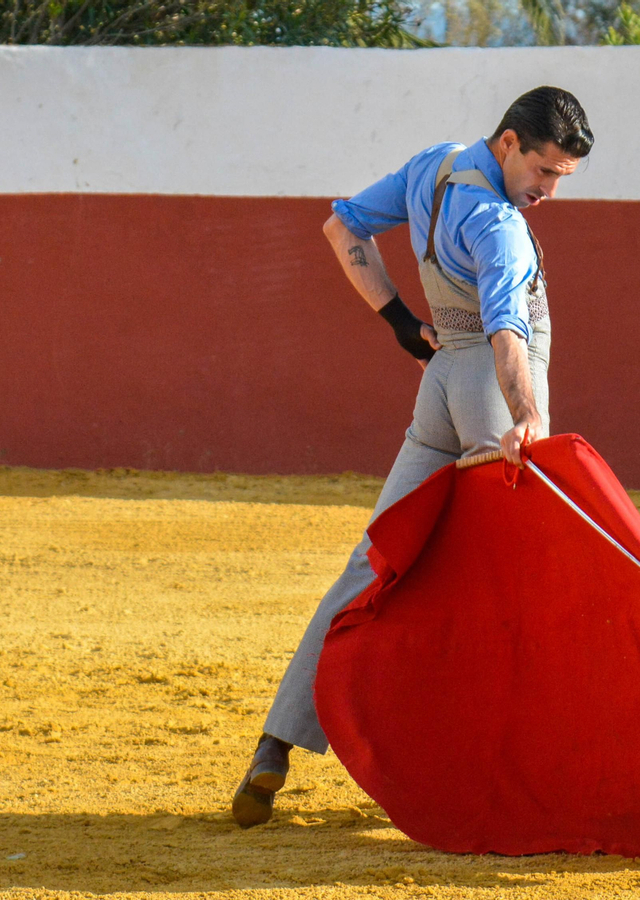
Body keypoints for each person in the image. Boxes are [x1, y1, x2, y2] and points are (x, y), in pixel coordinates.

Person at [232, 86, 594, 827]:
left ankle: (277, 742)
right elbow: (508, 336)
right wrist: (526, 420)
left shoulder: (434, 167)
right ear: (508, 143)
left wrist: (399, 318)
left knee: (373, 561)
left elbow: (342, 228)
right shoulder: (501, 226)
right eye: (545, 170)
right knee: (523, 592)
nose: (549, 190)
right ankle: (521, 775)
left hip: (438, 391)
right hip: (493, 402)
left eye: (562, 177)